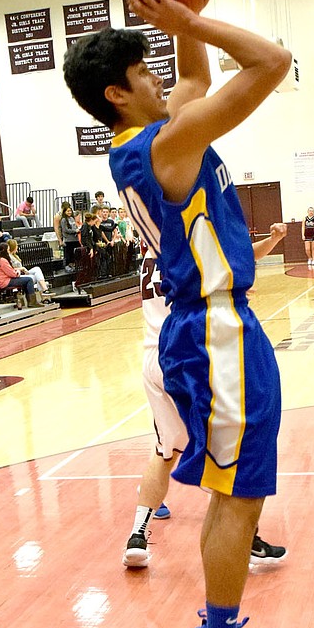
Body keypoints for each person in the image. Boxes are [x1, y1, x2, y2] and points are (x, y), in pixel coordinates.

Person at [63, 0, 291, 628]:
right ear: (119, 97)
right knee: (239, 491)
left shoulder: (156, 136)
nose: (162, 76)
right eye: (144, 72)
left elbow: (194, 76)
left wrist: (174, 25)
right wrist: (197, 16)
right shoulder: (166, 146)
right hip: (213, 326)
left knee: (241, 487)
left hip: (218, 325)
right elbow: (271, 62)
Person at [124, 228, 290, 569]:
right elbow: (235, 259)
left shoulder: (151, 252)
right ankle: (245, 538)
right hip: (184, 354)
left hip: (152, 357)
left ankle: (137, 535)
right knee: (224, 454)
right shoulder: (189, 246)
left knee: (164, 451)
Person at [0, 242, 41, 307]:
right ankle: (32, 302)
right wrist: (18, 271)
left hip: (3, 280)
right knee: (29, 280)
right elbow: (12, 274)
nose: (9, 251)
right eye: (8, 250)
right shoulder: (2, 260)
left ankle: (29, 301)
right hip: (5, 281)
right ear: (5, 250)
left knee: (25, 280)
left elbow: (9, 270)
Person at [60, 203, 80, 270]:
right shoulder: (63, 220)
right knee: (69, 254)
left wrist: (78, 229)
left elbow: (75, 226)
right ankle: (68, 266)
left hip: (75, 239)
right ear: (65, 212)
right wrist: (75, 231)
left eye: (70, 211)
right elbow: (65, 230)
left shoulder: (72, 218)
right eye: (68, 211)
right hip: (68, 240)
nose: (69, 212)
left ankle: (75, 265)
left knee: (75, 254)